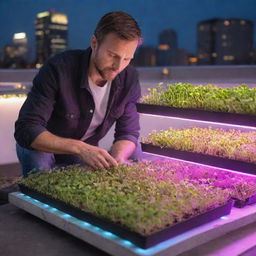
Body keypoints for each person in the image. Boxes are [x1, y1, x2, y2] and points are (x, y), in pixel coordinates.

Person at [14, 11, 142, 177]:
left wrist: (118, 158)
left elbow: (128, 133)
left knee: (134, 150)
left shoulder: (129, 78)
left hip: (83, 149)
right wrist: (81, 148)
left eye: (127, 59)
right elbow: (27, 129)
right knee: (40, 163)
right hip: (43, 146)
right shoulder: (58, 68)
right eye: (112, 55)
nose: (118, 66)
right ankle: (34, 200)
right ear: (94, 42)